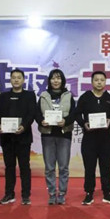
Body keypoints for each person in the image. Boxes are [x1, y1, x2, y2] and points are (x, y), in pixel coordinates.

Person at [75, 71, 110, 205]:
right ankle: (89, 193)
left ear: (105, 82)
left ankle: (107, 193)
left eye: (102, 80)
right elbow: (77, 114)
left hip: (106, 139)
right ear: (92, 82)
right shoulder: (85, 97)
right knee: (89, 167)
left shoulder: (109, 98)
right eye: (96, 80)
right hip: (90, 139)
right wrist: (84, 124)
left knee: (105, 167)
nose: (99, 82)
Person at [0, 69, 37, 205]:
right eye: (14, 77)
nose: (16, 80)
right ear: (10, 80)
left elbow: (31, 114)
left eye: (19, 77)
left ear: (23, 80)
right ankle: (9, 194)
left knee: (24, 167)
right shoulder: (3, 96)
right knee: (9, 167)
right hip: (7, 138)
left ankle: (26, 195)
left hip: (23, 137)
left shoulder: (29, 95)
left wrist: (23, 126)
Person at [37, 69, 76, 205]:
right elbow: (36, 113)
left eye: (58, 78)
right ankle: (52, 193)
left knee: (63, 167)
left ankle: (62, 193)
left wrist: (66, 121)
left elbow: (74, 113)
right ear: (49, 80)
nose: (56, 81)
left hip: (64, 134)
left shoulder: (68, 96)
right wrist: (41, 121)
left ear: (62, 80)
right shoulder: (43, 96)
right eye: (53, 78)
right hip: (47, 134)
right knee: (49, 167)